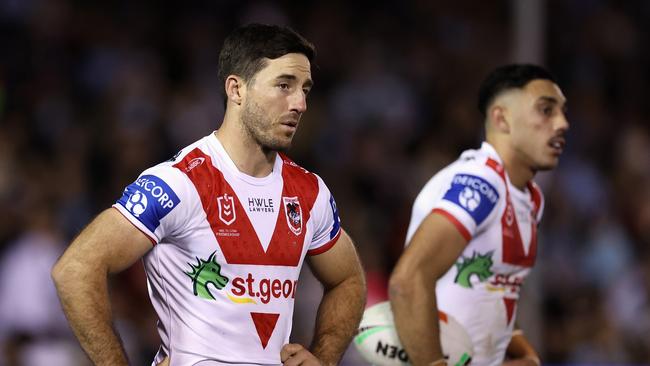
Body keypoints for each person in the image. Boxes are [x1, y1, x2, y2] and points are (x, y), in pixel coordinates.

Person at [52, 23, 366, 366]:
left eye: (305, 89)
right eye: (284, 85)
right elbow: (76, 269)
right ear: (236, 89)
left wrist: (325, 356)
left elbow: (348, 279)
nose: (300, 103)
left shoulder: (310, 193)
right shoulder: (178, 183)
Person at [388, 64, 569, 366]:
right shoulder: (480, 184)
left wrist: (524, 353)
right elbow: (407, 281)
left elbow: (488, 292)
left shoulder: (531, 198)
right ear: (501, 118)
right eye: (546, 110)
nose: (562, 123)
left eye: (563, 111)